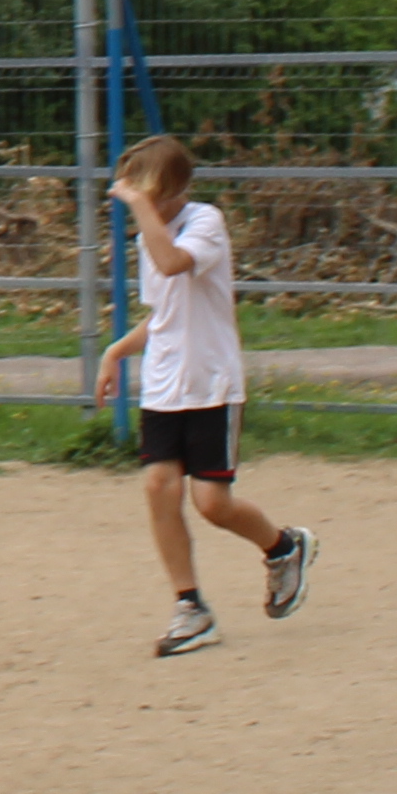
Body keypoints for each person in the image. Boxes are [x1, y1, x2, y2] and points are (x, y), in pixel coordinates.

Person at [87, 133, 314, 659]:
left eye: (155, 196)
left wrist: (140, 205)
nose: (146, 208)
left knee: (212, 504)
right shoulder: (151, 235)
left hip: (211, 385)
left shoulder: (204, 223)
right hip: (165, 385)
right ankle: (191, 608)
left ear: (179, 191)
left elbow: (174, 265)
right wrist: (117, 351)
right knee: (158, 488)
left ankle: (284, 547)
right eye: (141, 197)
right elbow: (163, 315)